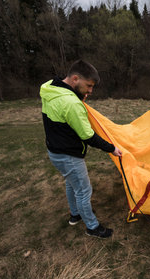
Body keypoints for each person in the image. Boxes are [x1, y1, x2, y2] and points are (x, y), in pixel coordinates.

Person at [40, 59, 122, 239]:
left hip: (55, 151)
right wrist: (111, 148)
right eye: (89, 86)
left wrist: (78, 97)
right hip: (68, 155)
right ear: (75, 79)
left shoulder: (49, 88)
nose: (91, 91)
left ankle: (75, 214)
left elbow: (63, 109)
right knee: (84, 190)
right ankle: (92, 227)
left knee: (72, 183)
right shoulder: (71, 103)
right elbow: (88, 136)